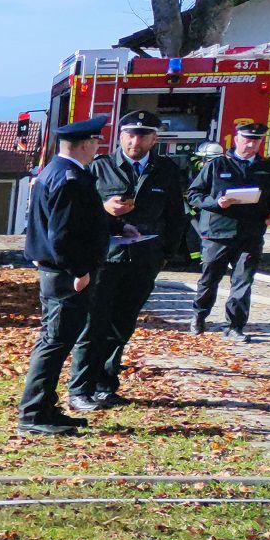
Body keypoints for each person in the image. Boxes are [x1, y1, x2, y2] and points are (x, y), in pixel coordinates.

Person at [69, 111, 191, 411]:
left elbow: (176, 216)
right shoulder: (99, 168)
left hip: (144, 260)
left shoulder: (166, 170)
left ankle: (105, 384)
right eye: (130, 134)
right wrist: (103, 208)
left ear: (154, 139)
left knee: (121, 325)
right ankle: (80, 388)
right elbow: (74, 211)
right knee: (93, 325)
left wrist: (165, 254)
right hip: (105, 260)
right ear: (120, 136)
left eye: (143, 135)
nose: (135, 141)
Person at [18, 116, 112, 437]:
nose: (98, 147)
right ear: (85, 144)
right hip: (65, 276)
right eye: (96, 142)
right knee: (55, 342)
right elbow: (62, 235)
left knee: (55, 340)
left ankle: (44, 406)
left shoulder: (55, 172)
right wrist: (80, 271)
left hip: (57, 272)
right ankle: (33, 413)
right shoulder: (70, 178)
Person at [189, 118, 270, 341]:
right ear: (236, 139)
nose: (251, 144)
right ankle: (199, 315)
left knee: (243, 283)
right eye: (247, 139)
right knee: (209, 280)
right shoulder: (217, 165)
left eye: (256, 141)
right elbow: (194, 194)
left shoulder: (268, 168)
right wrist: (216, 203)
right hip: (218, 233)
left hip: (250, 234)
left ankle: (234, 326)